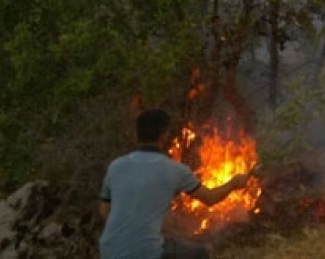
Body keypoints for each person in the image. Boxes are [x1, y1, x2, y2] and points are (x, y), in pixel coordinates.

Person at [99, 109, 251, 259]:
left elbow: (105, 211)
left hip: (109, 249)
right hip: (146, 251)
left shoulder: (116, 166)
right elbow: (210, 198)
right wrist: (233, 183)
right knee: (200, 253)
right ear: (164, 136)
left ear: (136, 135)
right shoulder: (175, 170)